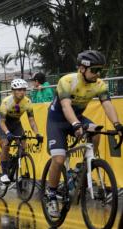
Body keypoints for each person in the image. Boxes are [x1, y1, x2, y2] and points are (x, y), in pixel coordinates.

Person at [45, 50, 123, 218]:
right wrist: (75, 125)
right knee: (58, 159)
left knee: (96, 130)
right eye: (94, 70)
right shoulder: (67, 81)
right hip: (57, 121)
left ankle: (83, 167)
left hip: (78, 118)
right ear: (82, 68)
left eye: (99, 70)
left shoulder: (99, 84)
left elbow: (107, 104)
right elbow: (66, 106)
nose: (97, 74)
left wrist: (117, 124)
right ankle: (51, 195)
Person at [0, 79, 42, 184]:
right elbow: (2, 122)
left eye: (24, 90)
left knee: (23, 145)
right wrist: (7, 133)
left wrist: (37, 133)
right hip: (3, 123)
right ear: (13, 91)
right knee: (5, 145)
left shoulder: (27, 102)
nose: (22, 92)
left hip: (16, 122)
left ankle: (13, 162)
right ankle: (4, 173)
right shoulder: (6, 102)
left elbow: (32, 121)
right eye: (19, 90)